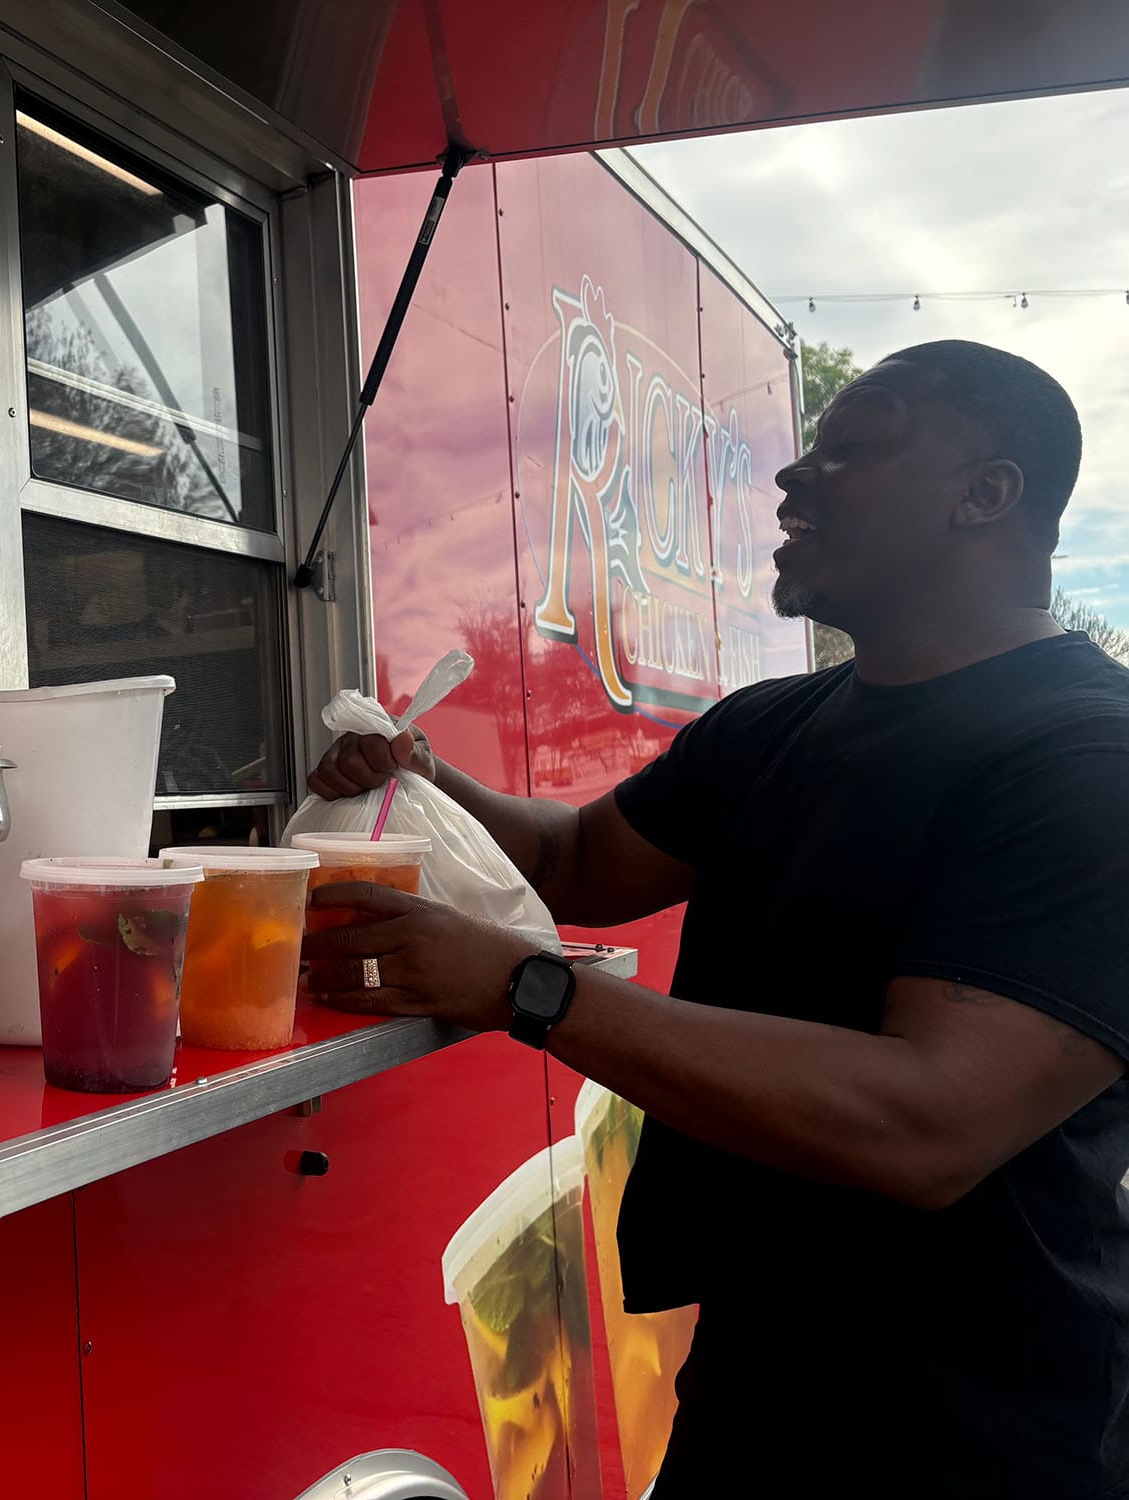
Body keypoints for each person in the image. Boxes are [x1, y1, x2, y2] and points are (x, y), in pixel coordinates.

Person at [302, 340, 1129, 1497]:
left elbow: (930, 1123)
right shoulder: (771, 727)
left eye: (853, 447)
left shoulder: (1085, 755)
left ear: (983, 494)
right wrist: (429, 780)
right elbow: (579, 862)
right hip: (753, 1382)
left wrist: (525, 987)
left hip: (980, 1425)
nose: (794, 479)